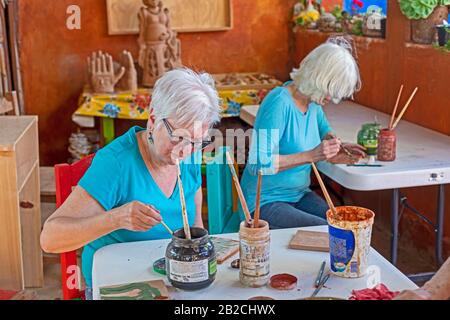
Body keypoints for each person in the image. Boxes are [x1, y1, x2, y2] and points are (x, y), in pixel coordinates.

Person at [40, 68, 221, 299]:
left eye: (197, 141)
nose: (185, 151)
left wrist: (197, 243)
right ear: (153, 119)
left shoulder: (190, 152)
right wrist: (117, 218)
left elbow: (193, 203)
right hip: (119, 280)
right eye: (178, 138)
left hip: (173, 276)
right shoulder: (116, 163)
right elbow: (50, 239)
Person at [240, 37, 366, 229]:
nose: (332, 98)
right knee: (328, 232)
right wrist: (311, 155)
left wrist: (336, 145)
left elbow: (325, 131)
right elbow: (258, 164)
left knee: (342, 225)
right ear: (318, 78)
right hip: (264, 201)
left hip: (299, 194)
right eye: (330, 90)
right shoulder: (279, 102)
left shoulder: (313, 104)